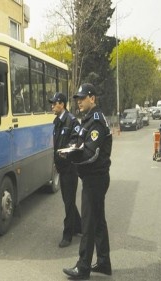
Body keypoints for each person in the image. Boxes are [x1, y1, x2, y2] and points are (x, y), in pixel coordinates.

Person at [59, 83, 112, 280]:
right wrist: (71, 147)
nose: (78, 101)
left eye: (82, 98)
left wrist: (71, 157)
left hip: (95, 178)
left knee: (88, 223)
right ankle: (104, 262)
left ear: (92, 98)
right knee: (98, 221)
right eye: (77, 99)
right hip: (93, 177)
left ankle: (83, 269)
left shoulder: (96, 121)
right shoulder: (87, 119)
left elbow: (91, 153)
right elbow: (79, 141)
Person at [48, 92, 82, 248]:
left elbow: (76, 142)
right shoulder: (57, 121)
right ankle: (79, 227)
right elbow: (56, 144)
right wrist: (56, 161)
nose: (52, 106)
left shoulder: (72, 121)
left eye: (54, 103)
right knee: (67, 200)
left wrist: (65, 153)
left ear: (61, 104)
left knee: (68, 201)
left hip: (70, 168)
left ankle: (68, 234)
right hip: (61, 167)